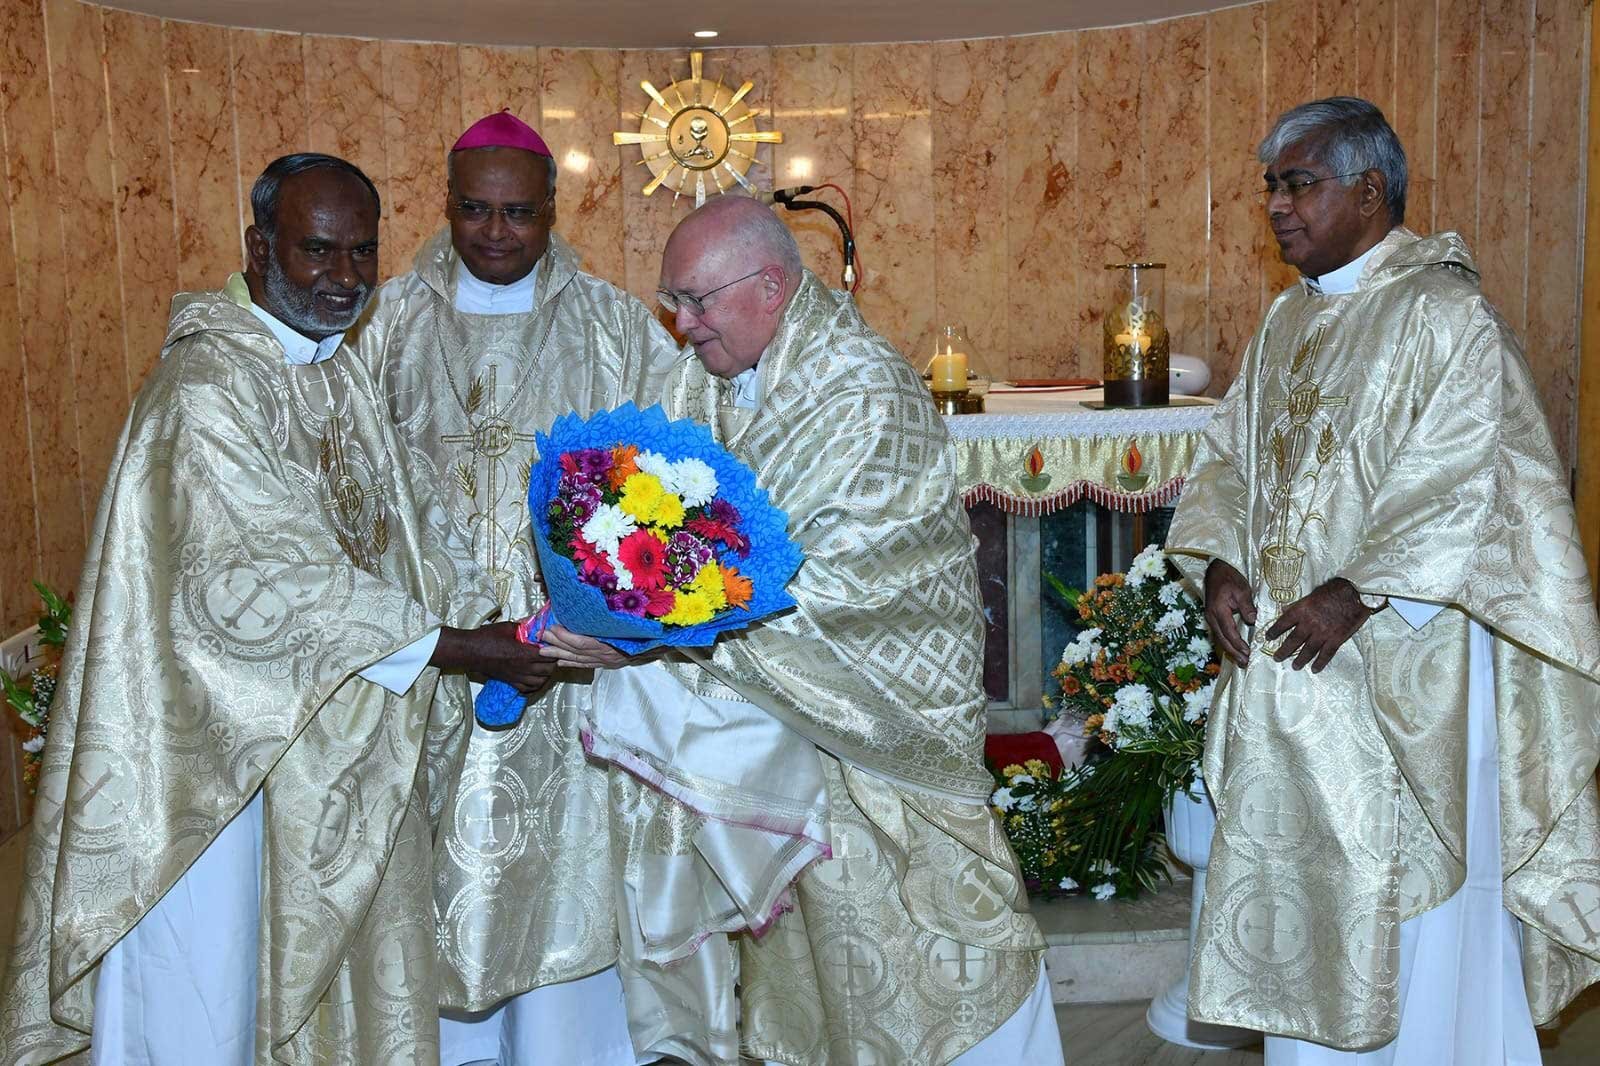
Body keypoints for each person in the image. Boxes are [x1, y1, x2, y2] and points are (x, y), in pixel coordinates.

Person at [0, 153, 557, 1064]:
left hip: (335, 738)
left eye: (362, 252)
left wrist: (516, 616)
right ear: (259, 249)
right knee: (215, 983)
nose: (345, 277)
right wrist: (463, 647)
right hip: (224, 763)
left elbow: (410, 521)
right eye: (318, 250)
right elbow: (264, 581)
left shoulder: (335, 371)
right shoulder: (205, 389)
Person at [540, 195, 1063, 1065]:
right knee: (813, 976)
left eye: (696, 301)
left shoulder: (862, 390)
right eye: (672, 300)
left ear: (771, 287)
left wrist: (644, 640)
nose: (681, 324)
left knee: (927, 954)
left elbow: (836, 593)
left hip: (875, 724)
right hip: (775, 727)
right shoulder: (698, 382)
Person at [1165, 97, 1600, 1064]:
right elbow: (1233, 457)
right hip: (1294, 675)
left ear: (1369, 191)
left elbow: (1468, 478)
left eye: (1299, 183)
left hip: (1405, 663)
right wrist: (1220, 557)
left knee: (1412, 913)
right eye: (1271, 186)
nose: (1278, 205)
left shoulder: (1446, 315)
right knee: (1306, 897)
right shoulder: (1289, 317)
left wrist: (1357, 590)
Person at [353, 112, 681, 1066]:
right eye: (474, 210)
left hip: (570, 659)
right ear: (446, 204)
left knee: (567, 871)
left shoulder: (615, 324)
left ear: (552, 211)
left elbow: (671, 481)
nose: (495, 232)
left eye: (519, 214)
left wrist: (607, 611)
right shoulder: (382, 325)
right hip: (432, 652)